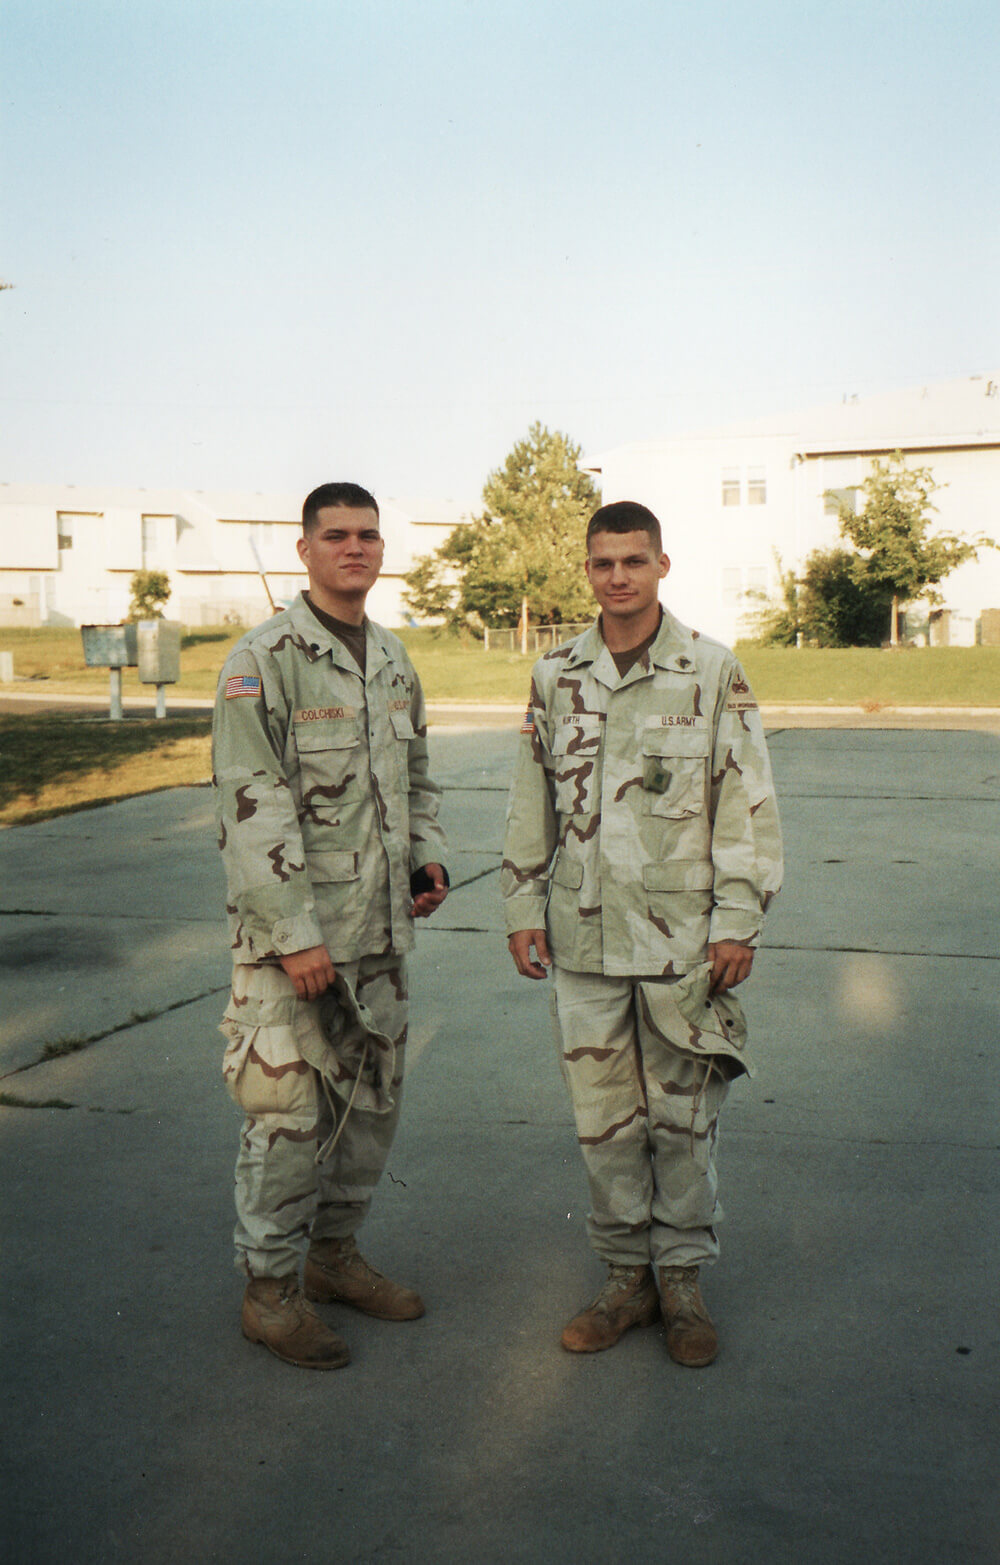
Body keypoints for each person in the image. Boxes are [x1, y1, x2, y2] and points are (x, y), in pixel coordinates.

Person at [502, 500, 782, 1366]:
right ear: (586, 571)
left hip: (679, 944)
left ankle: (684, 1284)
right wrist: (520, 906)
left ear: (663, 565)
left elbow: (745, 803)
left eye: (633, 560)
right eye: (602, 562)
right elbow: (531, 800)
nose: (617, 575)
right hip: (582, 942)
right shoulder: (555, 675)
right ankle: (626, 1280)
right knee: (605, 1124)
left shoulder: (710, 670)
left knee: (682, 1119)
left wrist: (739, 920)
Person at [212, 481, 449, 1370]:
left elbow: (416, 776)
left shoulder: (389, 657)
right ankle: (269, 1293)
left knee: (367, 1108)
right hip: (295, 947)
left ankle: (333, 1257)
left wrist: (428, 861)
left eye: (369, 536)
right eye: (337, 535)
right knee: (285, 1115)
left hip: (379, 936)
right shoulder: (262, 658)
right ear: (304, 549)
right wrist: (292, 933)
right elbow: (251, 804)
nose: (356, 548)